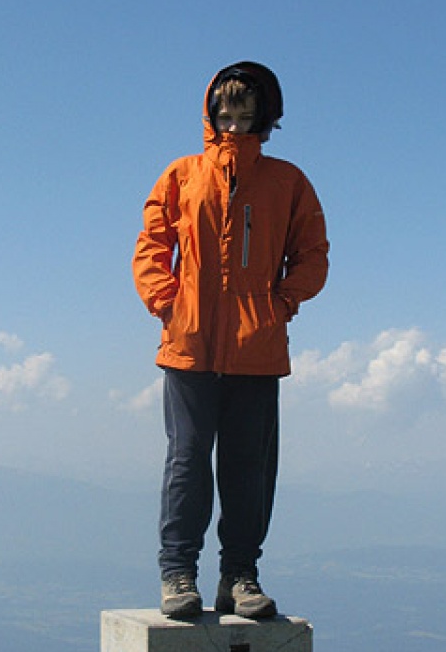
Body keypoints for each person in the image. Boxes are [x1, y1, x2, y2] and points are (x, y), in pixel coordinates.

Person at [132, 61, 329, 621]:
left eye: (246, 111)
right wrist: (166, 302)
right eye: (226, 110)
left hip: (256, 349)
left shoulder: (287, 181)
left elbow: (312, 253)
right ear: (210, 113)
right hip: (189, 345)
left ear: (266, 115)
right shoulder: (182, 174)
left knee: (249, 466)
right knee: (188, 460)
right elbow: (151, 245)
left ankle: (240, 577)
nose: (235, 121)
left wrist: (282, 304)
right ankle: (178, 574)